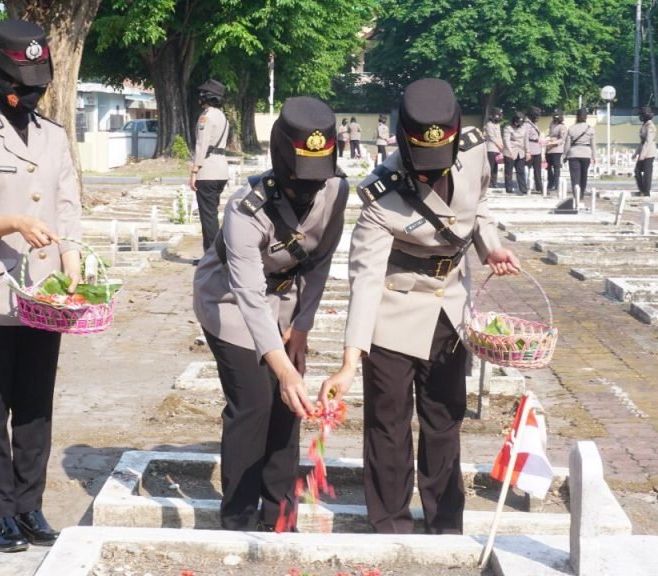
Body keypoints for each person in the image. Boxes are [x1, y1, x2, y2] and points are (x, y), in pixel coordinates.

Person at [319, 78, 520, 535]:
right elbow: (366, 279)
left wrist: (490, 246)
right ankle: (389, 522)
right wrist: (351, 360)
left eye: (438, 164)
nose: (430, 174)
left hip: (450, 309)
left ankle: (445, 522)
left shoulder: (472, 151)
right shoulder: (379, 193)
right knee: (388, 427)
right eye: (421, 167)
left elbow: (479, 205)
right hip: (393, 314)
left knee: (444, 420)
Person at [0, 19, 82, 553]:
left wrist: (73, 265)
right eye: (19, 84)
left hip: (43, 294)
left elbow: (67, 209)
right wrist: (15, 224)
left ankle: (29, 505)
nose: (27, 95)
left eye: (35, 85)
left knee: (34, 406)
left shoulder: (54, 136)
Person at [193, 96, 349, 531]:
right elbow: (248, 293)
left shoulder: (336, 189)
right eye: (301, 181)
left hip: (285, 302)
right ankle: (238, 514)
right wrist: (283, 369)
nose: (310, 190)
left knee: (288, 408)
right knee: (255, 401)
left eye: (317, 180)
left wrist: (300, 329)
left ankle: (280, 513)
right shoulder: (244, 209)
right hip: (227, 301)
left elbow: (319, 262)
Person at [190, 79, 229, 258]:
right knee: (212, 213)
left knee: (208, 217)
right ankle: (214, 254)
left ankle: (212, 256)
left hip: (207, 170)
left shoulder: (206, 117)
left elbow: (202, 144)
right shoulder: (222, 117)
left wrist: (194, 171)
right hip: (221, 169)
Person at [564, 108, 596, 197]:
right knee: (584, 175)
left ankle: (576, 194)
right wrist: (594, 157)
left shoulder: (571, 129)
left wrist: (564, 156)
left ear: (577, 116)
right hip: (586, 154)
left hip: (573, 154)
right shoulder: (590, 129)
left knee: (575, 176)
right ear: (586, 117)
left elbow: (567, 144)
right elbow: (593, 145)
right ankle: (581, 193)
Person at [502, 111, 529, 194]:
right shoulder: (508, 128)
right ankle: (509, 188)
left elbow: (526, 140)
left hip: (521, 152)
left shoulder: (524, 128)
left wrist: (528, 151)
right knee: (508, 171)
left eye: (520, 122)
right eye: (517, 122)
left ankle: (523, 189)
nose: (518, 124)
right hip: (510, 151)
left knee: (521, 171)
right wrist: (510, 151)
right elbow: (506, 140)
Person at [633, 107, 657, 196]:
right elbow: (642, 142)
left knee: (647, 173)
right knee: (637, 171)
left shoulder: (650, 126)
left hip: (649, 153)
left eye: (642, 115)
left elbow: (648, 142)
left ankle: (646, 192)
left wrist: (643, 155)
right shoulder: (645, 125)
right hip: (643, 151)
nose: (640, 117)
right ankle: (642, 189)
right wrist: (636, 153)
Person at [545, 111, 567, 192]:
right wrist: (546, 139)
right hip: (549, 148)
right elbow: (549, 134)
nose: (555, 119)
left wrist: (553, 142)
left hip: (557, 149)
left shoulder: (562, 127)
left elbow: (562, 139)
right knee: (549, 167)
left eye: (557, 117)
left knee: (556, 167)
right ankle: (550, 183)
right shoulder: (552, 124)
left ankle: (555, 183)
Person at [525, 106, 544, 193]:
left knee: (538, 170)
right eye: (536, 116)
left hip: (537, 149)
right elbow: (525, 138)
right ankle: (525, 186)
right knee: (527, 169)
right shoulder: (527, 124)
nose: (537, 118)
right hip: (530, 149)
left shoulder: (534, 124)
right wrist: (527, 151)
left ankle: (539, 187)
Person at [484, 107, 503, 188]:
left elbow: (499, 137)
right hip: (491, 148)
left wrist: (502, 146)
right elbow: (492, 137)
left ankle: (494, 182)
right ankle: (486, 183)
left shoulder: (497, 125)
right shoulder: (489, 124)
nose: (498, 117)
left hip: (498, 149)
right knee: (490, 167)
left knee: (495, 167)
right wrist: (499, 145)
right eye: (497, 115)